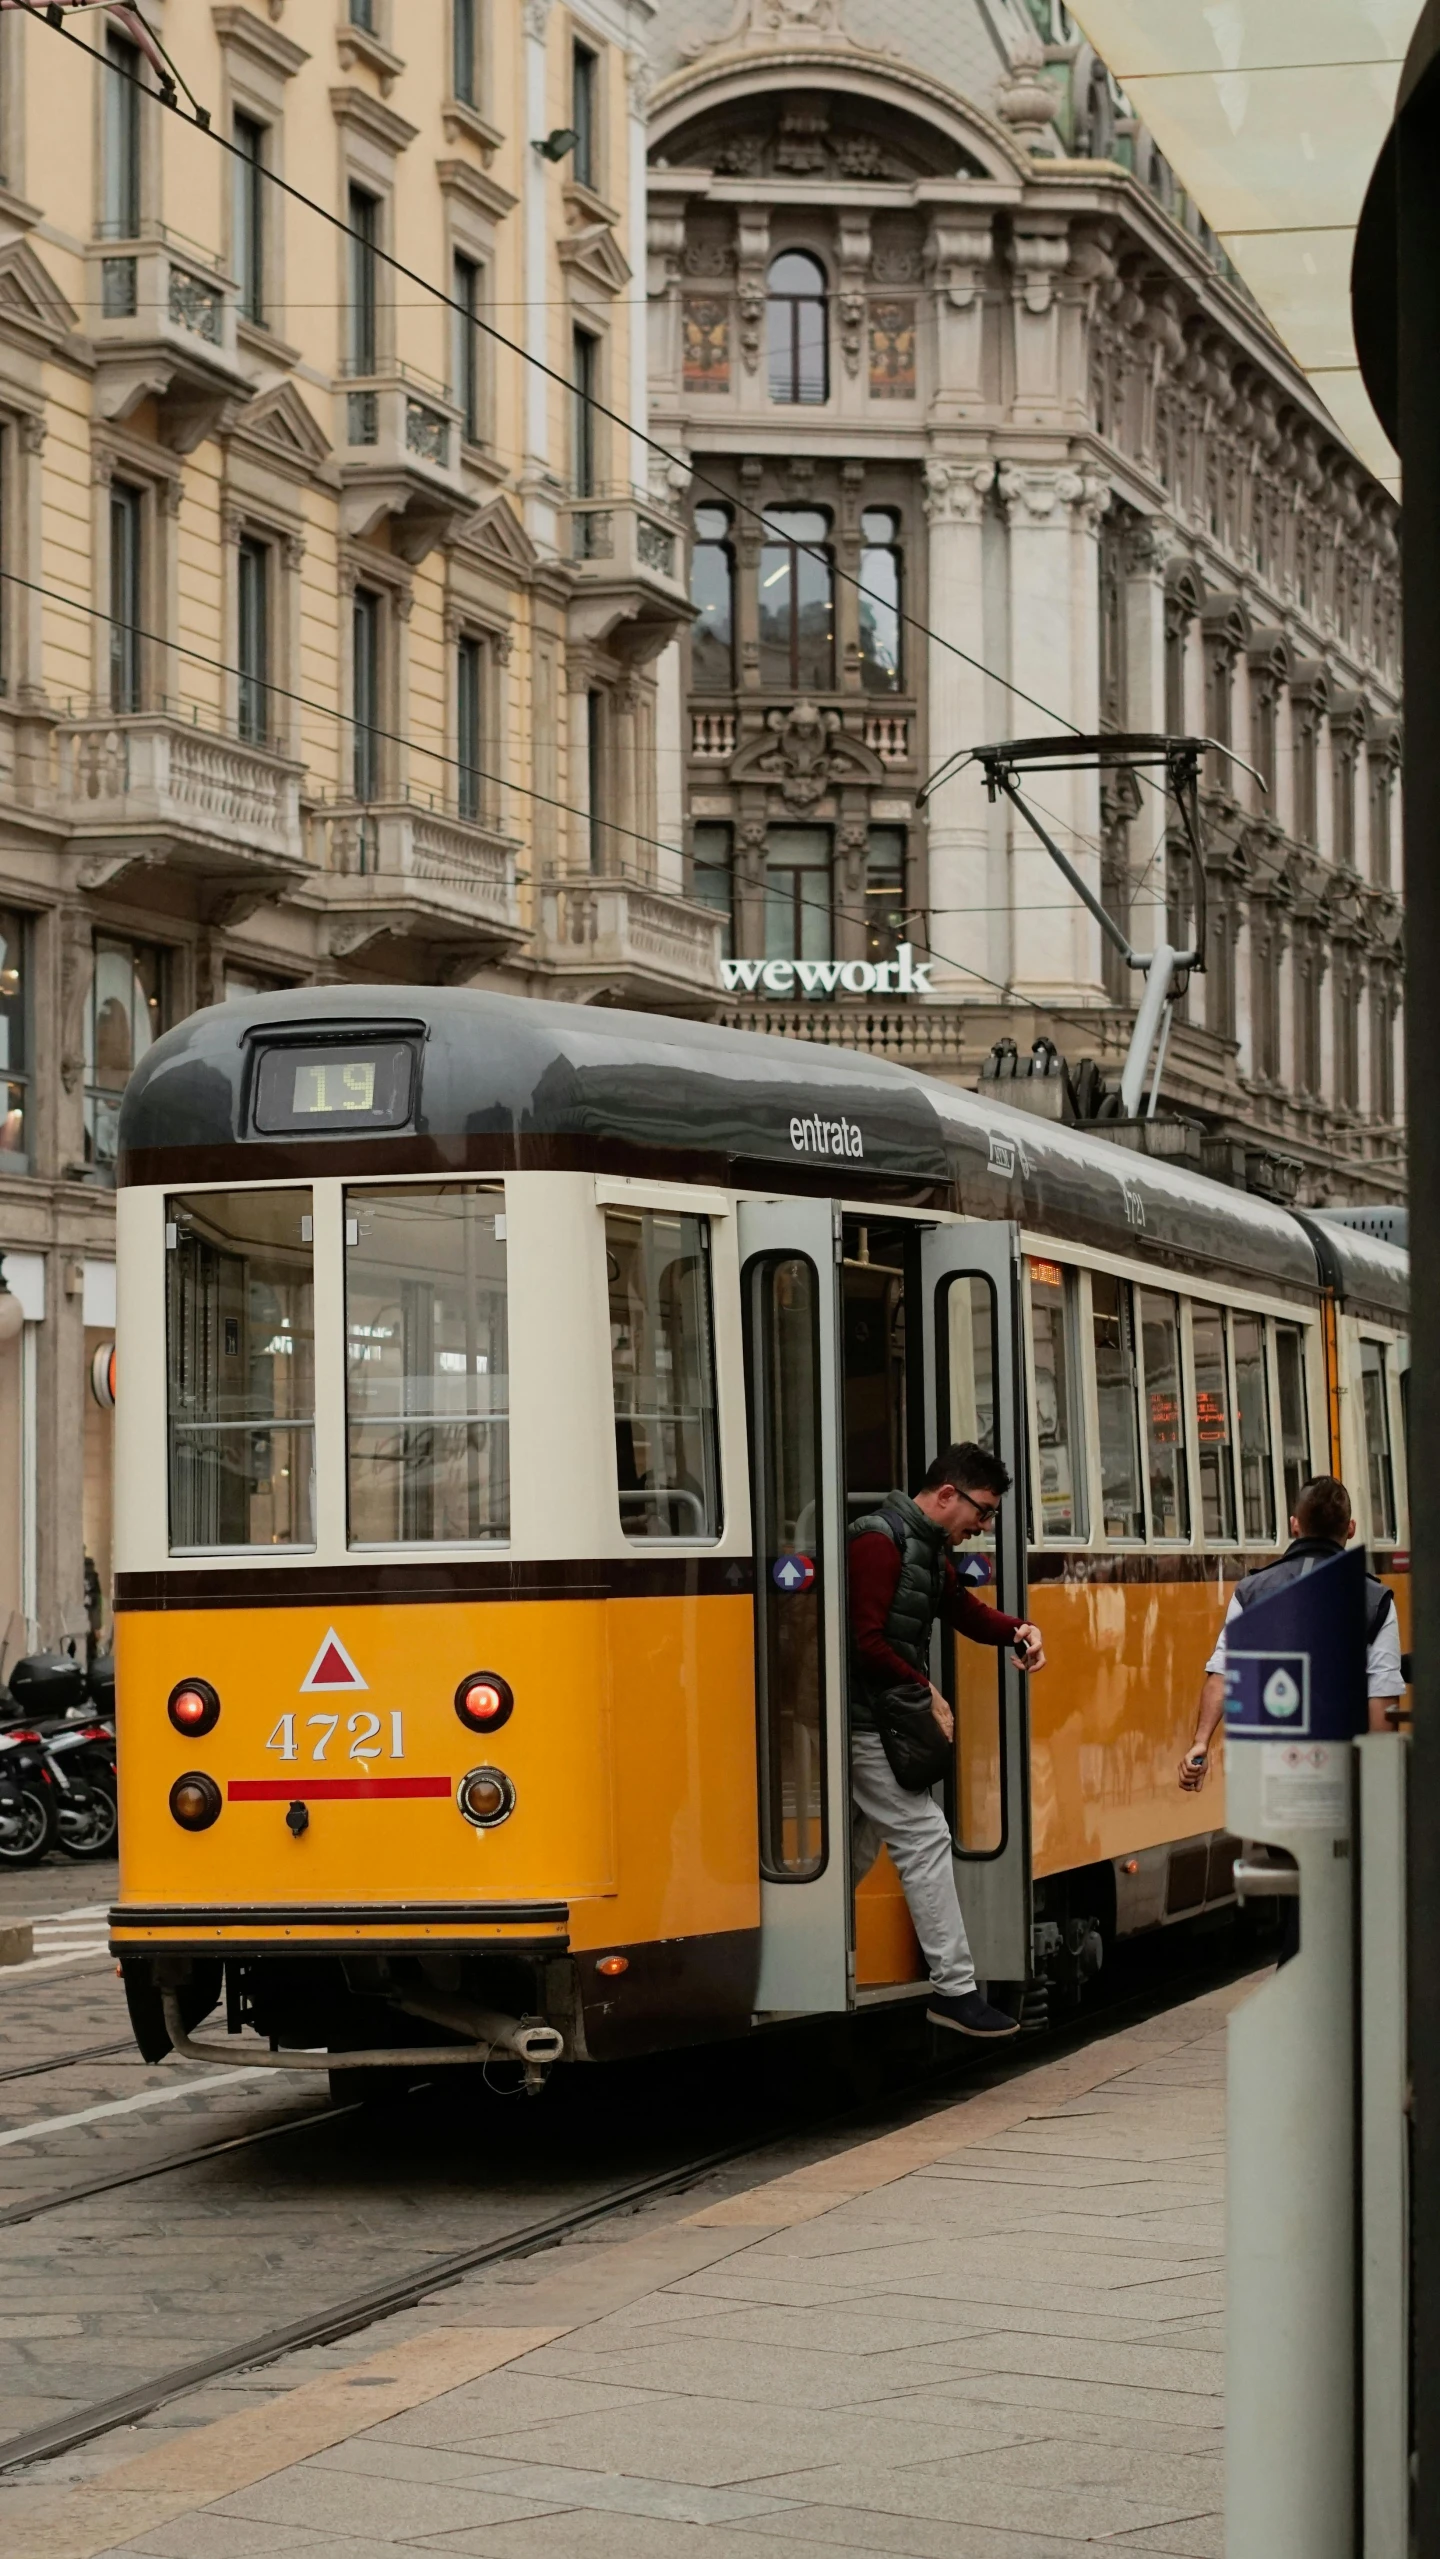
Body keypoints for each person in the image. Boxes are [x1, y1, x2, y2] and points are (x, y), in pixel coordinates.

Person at [849, 1443, 1046, 2040]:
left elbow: (961, 1610)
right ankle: (955, 1991)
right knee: (924, 1833)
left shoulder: (926, 1551)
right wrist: (926, 1690)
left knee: (856, 1848)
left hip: (879, 1717)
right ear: (945, 1496)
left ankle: (798, 1945)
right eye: (981, 1512)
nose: (982, 1527)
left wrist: (1019, 1630)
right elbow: (863, 1641)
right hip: (864, 1722)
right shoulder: (877, 1543)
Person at [1180, 1473, 1403, 1793]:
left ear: (1294, 1525)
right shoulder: (1375, 1600)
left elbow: (1223, 1673)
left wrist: (1200, 1743)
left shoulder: (1251, 1592)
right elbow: (1381, 1703)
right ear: (1350, 1529)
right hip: (1341, 1780)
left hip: (1272, 1781)